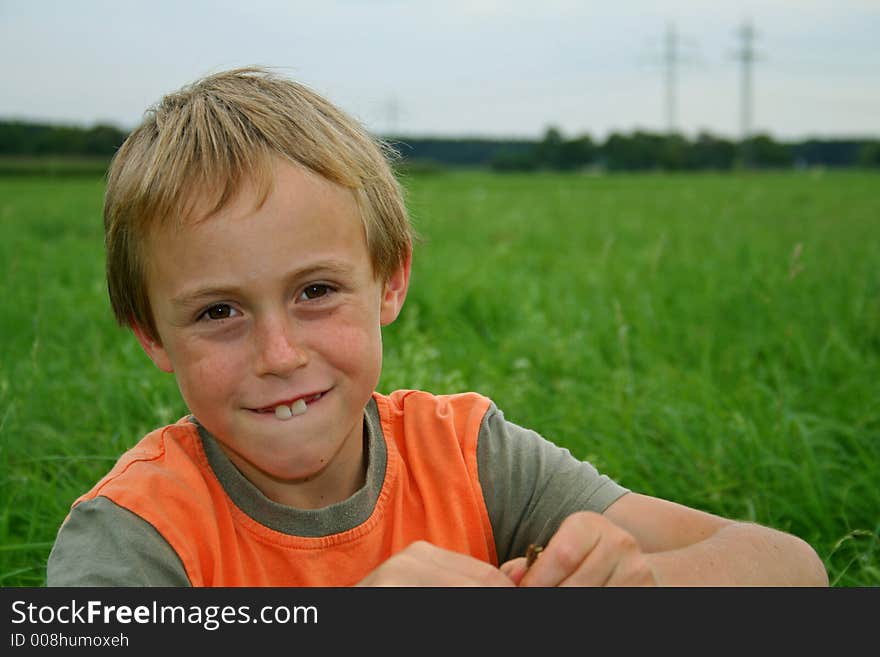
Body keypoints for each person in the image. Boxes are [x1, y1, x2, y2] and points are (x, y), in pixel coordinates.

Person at [46, 67, 828, 587]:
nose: (279, 354)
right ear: (150, 332)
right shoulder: (134, 535)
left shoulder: (467, 456)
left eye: (316, 290)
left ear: (391, 280)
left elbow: (793, 567)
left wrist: (641, 582)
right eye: (218, 312)